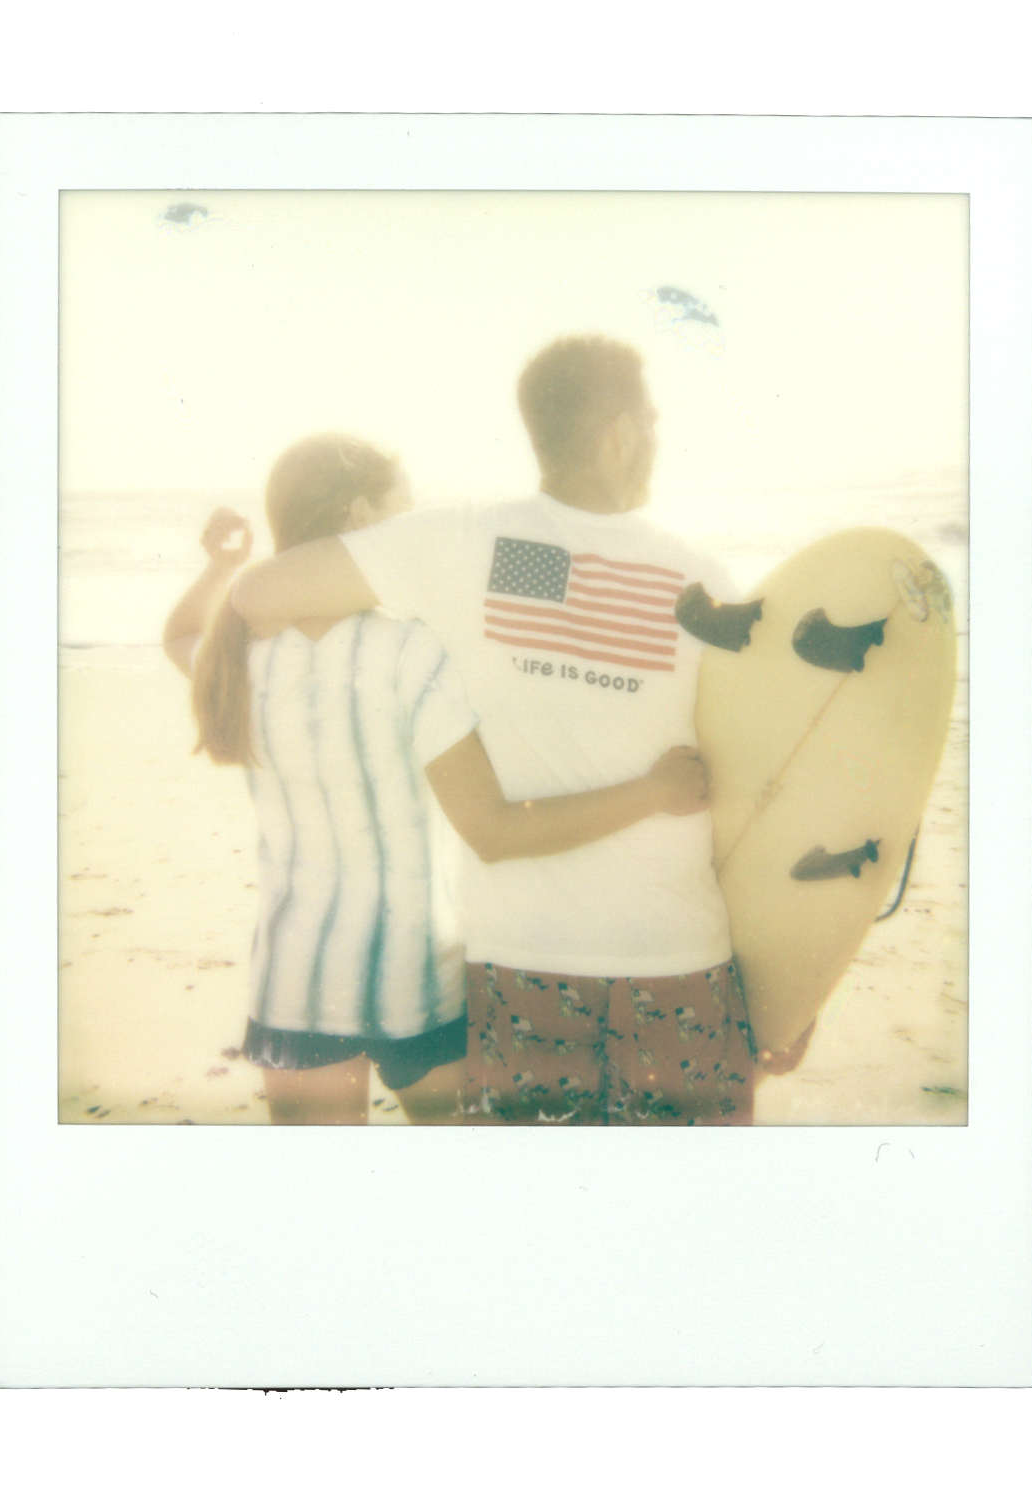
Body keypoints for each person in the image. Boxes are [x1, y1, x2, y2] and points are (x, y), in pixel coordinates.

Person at [229, 338, 805, 1125]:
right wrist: (797, 978)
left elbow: (261, 592)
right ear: (619, 434)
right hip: (677, 957)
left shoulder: (463, 546)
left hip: (523, 973)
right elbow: (757, 783)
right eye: (653, 421)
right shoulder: (696, 576)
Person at [163, 433, 710, 1125]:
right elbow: (494, 831)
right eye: (406, 509)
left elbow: (179, 635)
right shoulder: (413, 652)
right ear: (363, 517)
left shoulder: (234, 658)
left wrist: (222, 568)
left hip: (295, 980)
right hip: (415, 978)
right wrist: (653, 793)